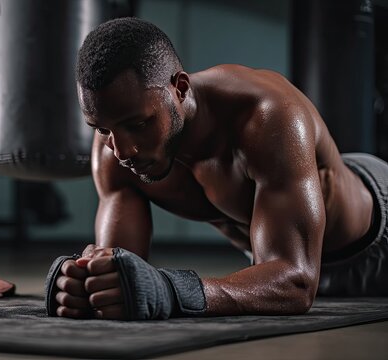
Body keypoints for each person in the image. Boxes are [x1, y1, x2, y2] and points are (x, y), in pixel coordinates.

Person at [45, 17, 388, 320]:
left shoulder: (267, 116)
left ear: (179, 88)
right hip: (280, 260)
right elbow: (123, 273)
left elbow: (295, 281)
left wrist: (173, 290)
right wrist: (84, 282)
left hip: (371, 243)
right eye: (102, 129)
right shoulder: (115, 149)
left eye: (138, 124)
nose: (122, 150)